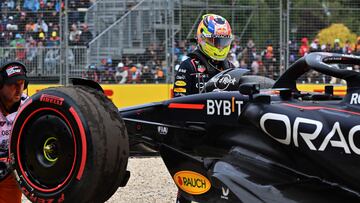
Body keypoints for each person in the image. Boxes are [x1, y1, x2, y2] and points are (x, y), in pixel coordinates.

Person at [173, 14, 234, 97]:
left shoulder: (230, 68)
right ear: (202, 38)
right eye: (215, 41)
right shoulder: (189, 66)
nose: (220, 47)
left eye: (224, 42)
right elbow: (179, 100)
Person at [0, 61, 29, 203]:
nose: (19, 89)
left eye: (21, 83)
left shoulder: (29, 107)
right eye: (13, 84)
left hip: (11, 171)